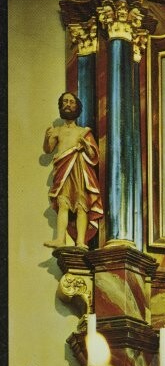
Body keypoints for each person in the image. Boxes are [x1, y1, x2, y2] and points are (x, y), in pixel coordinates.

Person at [43, 92, 103, 249]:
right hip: (62, 170)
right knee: (63, 204)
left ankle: (81, 241)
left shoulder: (83, 132)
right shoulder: (57, 131)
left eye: (71, 102)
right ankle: (59, 239)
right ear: (61, 106)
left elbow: (94, 155)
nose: (68, 104)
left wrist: (86, 146)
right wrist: (46, 137)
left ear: (77, 106)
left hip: (79, 170)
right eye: (65, 102)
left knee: (81, 205)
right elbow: (48, 149)